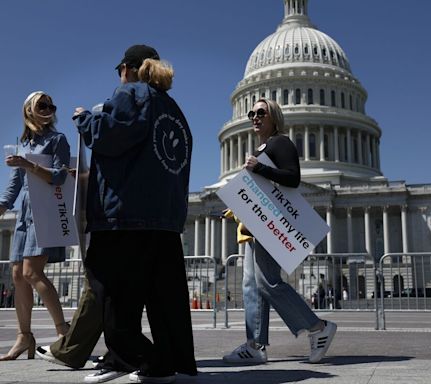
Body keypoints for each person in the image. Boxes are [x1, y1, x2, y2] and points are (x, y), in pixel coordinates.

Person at [66, 44, 196, 384]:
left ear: (126, 68)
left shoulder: (132, 94)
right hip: (165, 219)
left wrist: (85, 119)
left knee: (110, 290)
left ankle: (137, 358)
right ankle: (172, 363)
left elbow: (109, 136)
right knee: (163, 299)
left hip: (126, 215)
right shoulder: (174, 111)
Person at [222, 98, 337, 364]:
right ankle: (255, 345)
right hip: (256, 224)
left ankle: (317, 327)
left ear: (274, 117)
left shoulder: (280, 143)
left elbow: (292, 178)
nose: (254, 117)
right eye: (252, 113)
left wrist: (258, 167)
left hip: (269, 226)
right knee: (251, 285)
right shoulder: (263, 146)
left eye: (261, 112)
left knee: (267, 282)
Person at [0, 91, 71, 361]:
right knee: (17, 274)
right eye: (42, 105)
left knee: (32, 272)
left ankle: (64, 333)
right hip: (24, 213)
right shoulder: (24, 143)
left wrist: (27, 164)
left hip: (46, 210)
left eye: (51, 105)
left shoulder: (58, 140)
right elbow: (14, 184)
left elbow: (60, 177)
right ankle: (24, 337)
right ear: (29, 110)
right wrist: (2, 206)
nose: (48, 108)